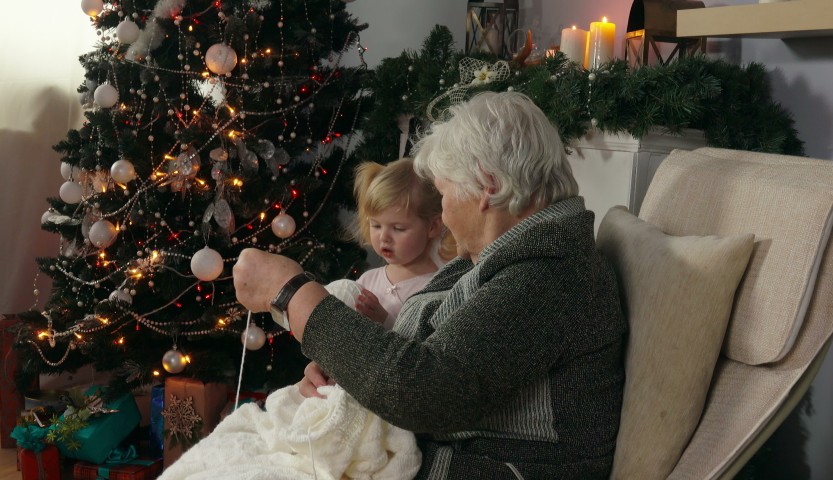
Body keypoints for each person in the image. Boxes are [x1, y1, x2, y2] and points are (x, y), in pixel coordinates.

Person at [234, 91, 626, 479]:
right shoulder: (511, 256)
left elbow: (425, 392)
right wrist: (344, 374)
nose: (442, 212)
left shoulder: (549, 274)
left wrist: (290, 292)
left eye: (443, 193)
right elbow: (430, 361)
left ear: (487, 186)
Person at [351, 157, 453, 330]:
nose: (384, 237)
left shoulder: (438, 290)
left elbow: (421, 350)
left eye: (398, 228)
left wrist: (385, 320)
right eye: (376, 225)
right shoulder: (366, 281)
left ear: (433, 226)